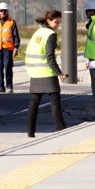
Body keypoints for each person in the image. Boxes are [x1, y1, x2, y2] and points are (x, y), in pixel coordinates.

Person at [25, 10, 68, 138]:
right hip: (47, 72)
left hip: (34, 72)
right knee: (55, 101)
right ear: (49, 21)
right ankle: (61, 129)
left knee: (34, 103)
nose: (58, 25)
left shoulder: (38, 32)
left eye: (59, 22)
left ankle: (30, 131)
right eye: (56, 22)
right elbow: (50, 57)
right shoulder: (50, 34)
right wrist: (59, 73)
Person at [0, 2, 20, 93]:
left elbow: (16, 36)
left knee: (8, 68)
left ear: (7, 11)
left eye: (5, 11)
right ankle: (0, 86)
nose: (3, 12)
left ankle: (9, 86)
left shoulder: (12, 22)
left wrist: (16, 48)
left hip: (8, 49)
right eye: (1, 11)